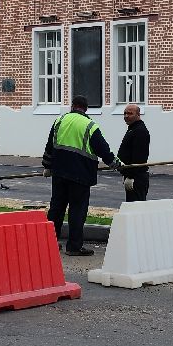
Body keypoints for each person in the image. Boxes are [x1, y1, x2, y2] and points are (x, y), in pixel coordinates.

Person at [42, 95, 119, 256]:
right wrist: (115, 163)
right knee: (77, 211)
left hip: (59, 173)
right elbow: (102, 149)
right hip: (80, 175)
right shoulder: (89, 125)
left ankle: (49, 242)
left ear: (72, 106)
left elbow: (50, 146)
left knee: (56, 208)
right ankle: (74, 246)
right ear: (85, 108)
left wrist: (47, 166)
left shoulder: (59, 121)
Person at [118, 104, 151, 202]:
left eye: (130, 113)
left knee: (136, 207)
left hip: (137, 177)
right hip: (131, 175)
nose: (126, 116)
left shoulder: (140, 131)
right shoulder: (133, 129)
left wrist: (131, 176)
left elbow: (139, 157)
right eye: (125, 113)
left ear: (138, 115)